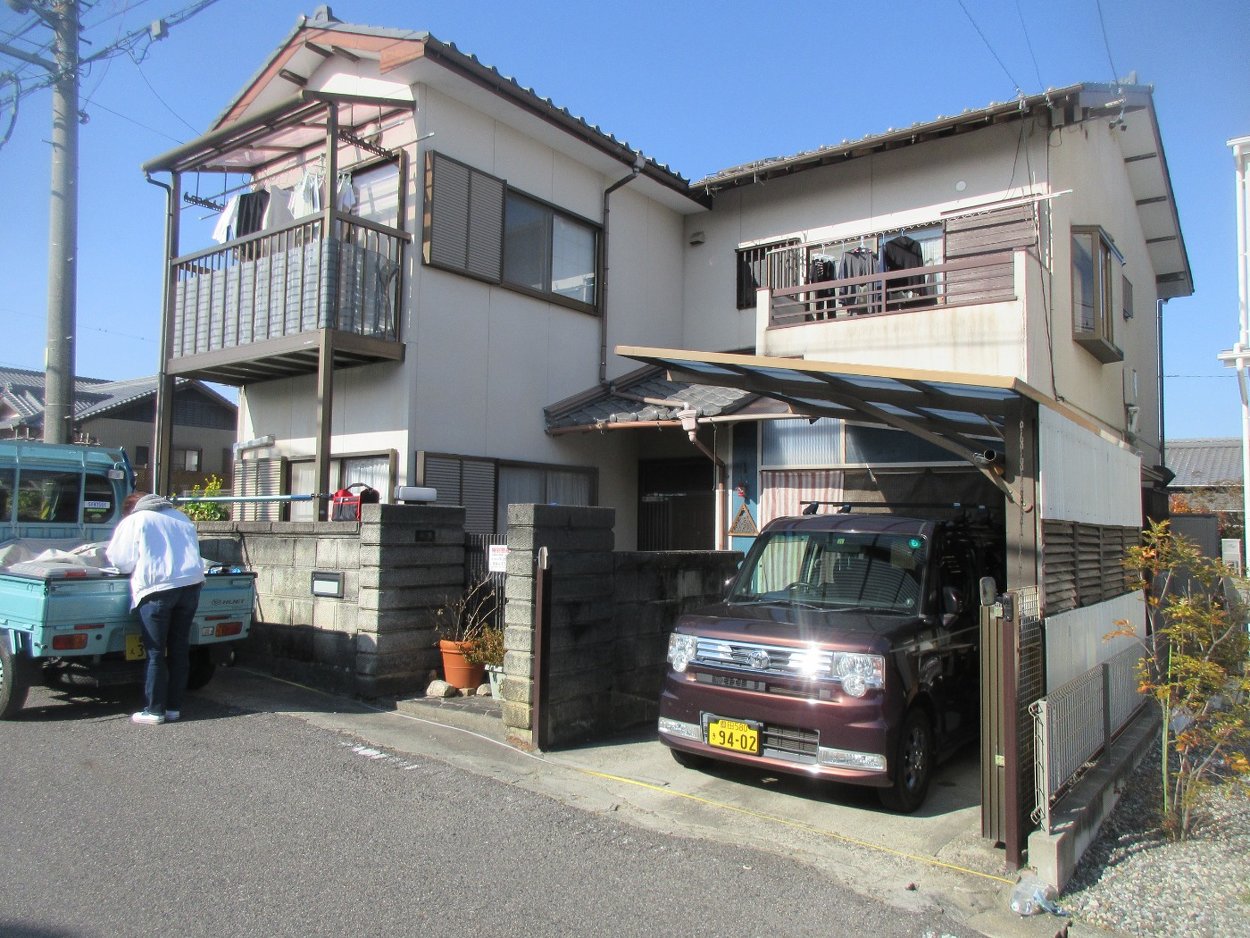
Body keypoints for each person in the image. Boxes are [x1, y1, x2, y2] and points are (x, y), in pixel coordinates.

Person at [106, 492, 205, 725]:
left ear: (131, 508)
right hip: (190, 587)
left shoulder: (136, 520)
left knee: (155, 651)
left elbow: (121, 560)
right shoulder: (181, 518)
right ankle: (174, 707)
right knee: (180, 648)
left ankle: (154, 710)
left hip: (156, 589)